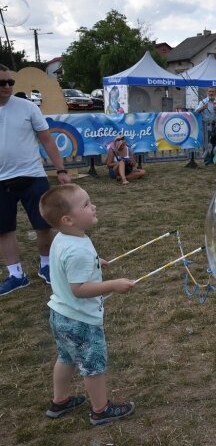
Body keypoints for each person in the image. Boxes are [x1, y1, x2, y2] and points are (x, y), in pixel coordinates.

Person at [38, 184, 136, 425]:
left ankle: (59, 401)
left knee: (66, 358)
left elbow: (66, 265)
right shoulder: (77, 250)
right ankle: (100, 410)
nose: (93, 206)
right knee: (93, 366)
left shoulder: (63, 237)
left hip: (60, 314)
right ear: (68, 219)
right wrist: (112, 284)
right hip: (80, 319)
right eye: (85, 204)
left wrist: (94, 262)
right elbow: (79, 289)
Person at [0, 63, 72, 296]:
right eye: (3, 83)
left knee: (44, 225)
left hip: (33, 175)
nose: (8, 87)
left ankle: (46, 266)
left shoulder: (27, 108)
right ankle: (16, 275)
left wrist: (60, 170)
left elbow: (47, 140)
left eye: (11, 82)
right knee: (4, 229)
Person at [194, 88, 216, 166]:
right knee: (206, 143)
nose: (211, 93)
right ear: (207, 92)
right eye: (209, 91)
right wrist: (203, 108)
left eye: (212, 91)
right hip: (205, 125)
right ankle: (207, 161)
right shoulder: (203, 102)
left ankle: (214, 159)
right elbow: (196, 111)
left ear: (215, 93)